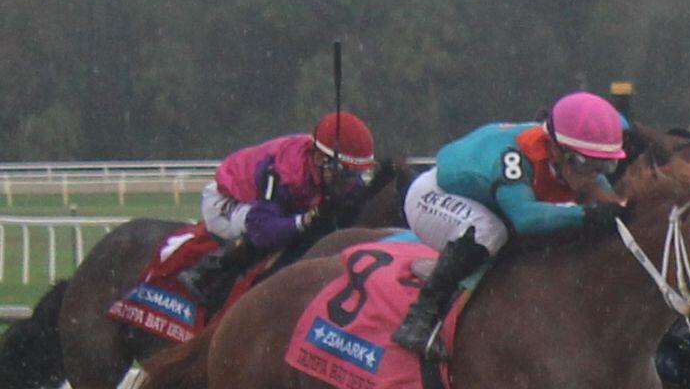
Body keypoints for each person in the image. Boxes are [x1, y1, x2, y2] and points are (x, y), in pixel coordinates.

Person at [392, 91, 629, 359]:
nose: (593, 176)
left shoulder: (575, 162)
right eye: (584, 163)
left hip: (485, 202)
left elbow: (611, 209)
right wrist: (585, 214)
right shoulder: (515, 154)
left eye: (605, 166)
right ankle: (419, 318)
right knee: (490, 230)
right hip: (432, 195)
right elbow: (524, 219)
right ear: (554, 148)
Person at [176, 111, 376, 308]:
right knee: (275, 234)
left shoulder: (340, 177)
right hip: (227, 201)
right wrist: (304, 220)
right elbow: (262, 231)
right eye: (344, 173)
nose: (350, 183)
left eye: (357, 173)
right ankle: (208, 272)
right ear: (318, 159)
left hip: (279, 204)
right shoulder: (285, 171)